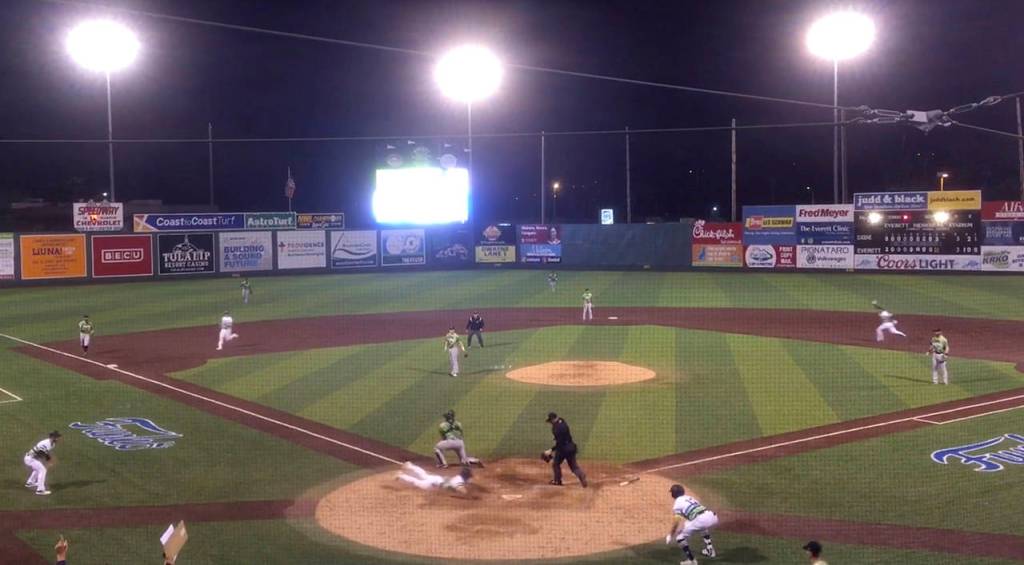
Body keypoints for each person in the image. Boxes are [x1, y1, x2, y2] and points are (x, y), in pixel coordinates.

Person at [665, 484, 718, 565]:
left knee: (680, 537)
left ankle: (692, 561)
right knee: (702, 527)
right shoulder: (690, 498)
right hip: (712, 516)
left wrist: (670, 534)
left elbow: (677, 521)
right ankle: (710, 550)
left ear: (674, 494)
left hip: (701, 520)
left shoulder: (677, 504)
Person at [544, 412, 587, 487]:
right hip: (571, 447)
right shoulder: (562, 421)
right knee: (574, 466)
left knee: (556, 464)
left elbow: (560, 443)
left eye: (550, 421)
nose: (550, 423)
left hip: (563, 449)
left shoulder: (556, 429)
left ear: (553, 419)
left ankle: (557, 481)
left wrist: (551, 450)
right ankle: (581, 475)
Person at [395, 461, 472, 494]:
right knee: (417, 482)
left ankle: (410, 466)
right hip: (433, 485)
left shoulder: (459, 477)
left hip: (437, 479)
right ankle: (400, 475)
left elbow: (451, 483)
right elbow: (463, 491)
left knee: (424, 475)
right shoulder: (459, 482)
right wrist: (468, 495)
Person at [24, 431, 61, 496]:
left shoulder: (52, 444)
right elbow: (41, 453)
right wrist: (49, 460)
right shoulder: (45, 443)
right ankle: (40, 490)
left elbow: (45, 453)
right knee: (42, 470)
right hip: (30, 459)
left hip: (33, 458)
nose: (58, 439)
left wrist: (49, 460)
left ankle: (30, 482)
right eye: (57, 437)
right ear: (52, 437)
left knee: (37, 469)